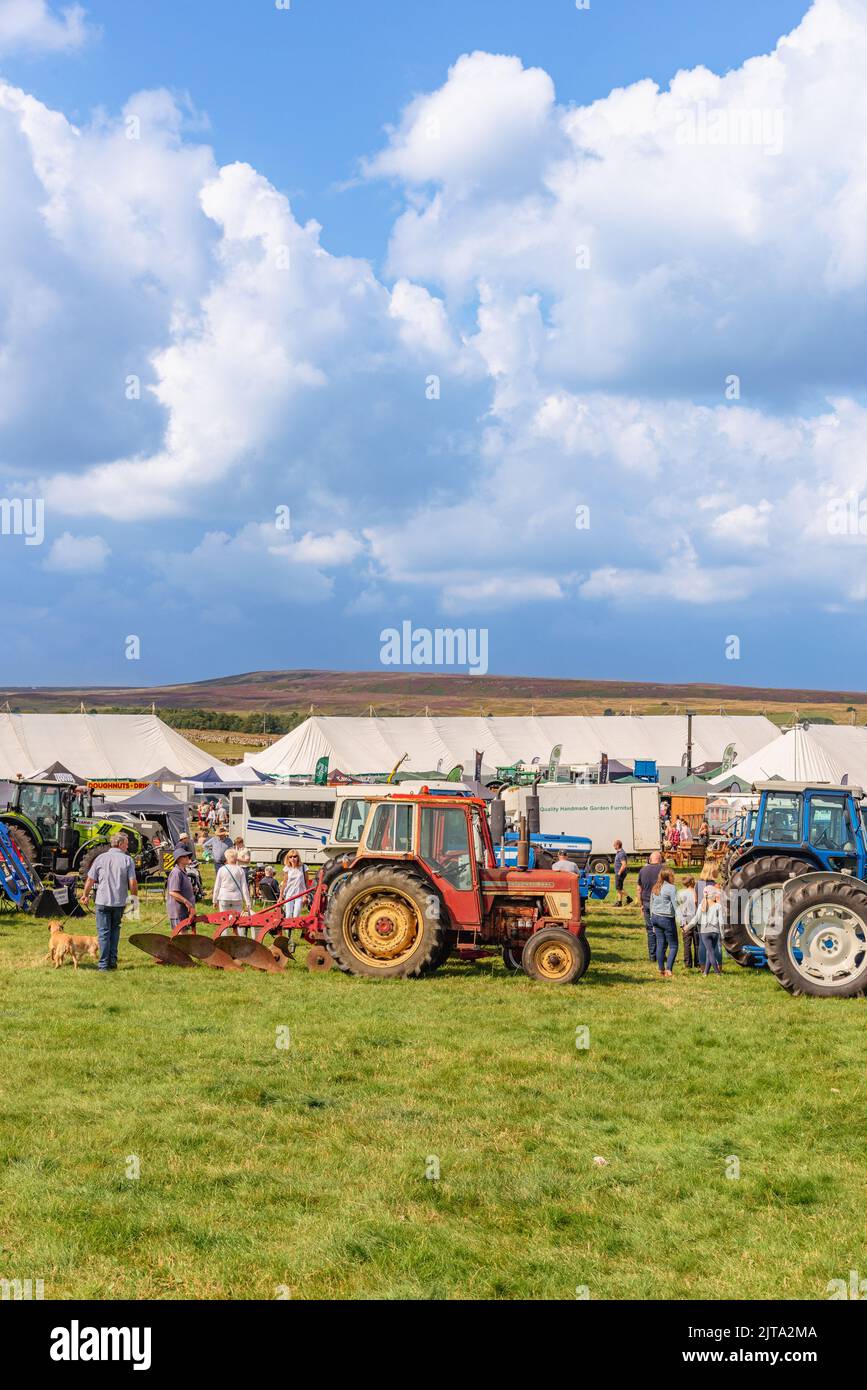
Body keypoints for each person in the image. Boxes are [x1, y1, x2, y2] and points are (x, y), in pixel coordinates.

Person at [79, 832, 138, 972]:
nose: (128, 846)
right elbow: (132, 882)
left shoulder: (100, 858)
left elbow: (90, 879)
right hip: (119, 902)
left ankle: (103, 965)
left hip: (102, 901)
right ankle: (112, 962)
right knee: (115, 930)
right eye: (127, 843)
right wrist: (134, 899)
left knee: (103, 933)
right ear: (120, 844)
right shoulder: (127, 860)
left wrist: (85, 895)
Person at [688, 885, 724, 976]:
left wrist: (687, 927)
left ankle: (716, 972)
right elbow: (721, 922)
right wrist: (722, 935)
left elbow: (695, 919)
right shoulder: (718, 906)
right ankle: (706, 973)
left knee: (710, 951)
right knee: (710, 951)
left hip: (705, 932)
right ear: (713, 895)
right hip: (715, 932)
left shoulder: (701, 906)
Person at [649, 867, 679, 977]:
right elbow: (676, 906)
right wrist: (682, 922)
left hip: (655, 917)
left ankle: (660, 968)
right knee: (674, 945)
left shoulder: (655, 887)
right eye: (672, 875)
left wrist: (652, 921)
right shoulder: (671, 888)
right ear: (669, 876)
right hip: (666, 919)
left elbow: (651, 905)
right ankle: (669, 969)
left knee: (660, 943)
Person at [637, 851, 664, 961]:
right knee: (661, 929)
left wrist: (641, 904)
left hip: (647, 902)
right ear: (660, 859)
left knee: (650, 930)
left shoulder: (642, 870)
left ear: (650, 859)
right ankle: (661, 955)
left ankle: (652, 955)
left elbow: (639, 889)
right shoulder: (663, 870)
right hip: (660, 903)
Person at [213, 848, 253, 916]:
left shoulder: (221, 869)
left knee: (224, 919)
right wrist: (248, 902)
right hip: (237, 897)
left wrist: (214, 900)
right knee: (238, 921)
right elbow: (244, 887)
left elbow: (217, 886)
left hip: (224, 897)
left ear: (226, 857)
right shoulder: (240, 870)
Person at [166, 846, 196, 933]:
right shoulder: (176, 872)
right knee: (180, 937)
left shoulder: (183, 871)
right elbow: (173, 892)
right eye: (185, 856)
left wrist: (191, 890)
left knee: (184, 937)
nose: (187, 858)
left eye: (188, 856)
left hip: (183, 910)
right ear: (179, 859)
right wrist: (186, 902)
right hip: (178, 912)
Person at [677, 875, 699, 968]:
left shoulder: (680, 893)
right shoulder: (697, 893)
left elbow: (679, 909)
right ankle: (698, 962)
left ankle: (687, 963)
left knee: (687, 944)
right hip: (696, 919)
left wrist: (681, 923)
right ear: (693, 882)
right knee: (697, 944)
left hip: (685, 920)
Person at [281, 850, 309, 919]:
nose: (293, 858)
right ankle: (288, 929)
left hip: (300, 894)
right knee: (288, 915)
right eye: (290, 857)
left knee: (296, 916)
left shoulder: (304, 867)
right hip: (289, 894)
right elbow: (284, 882)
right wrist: (281, 896)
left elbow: (307, 882)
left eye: (295, 856)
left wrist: (306, 895)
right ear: (288, 858)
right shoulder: (287, 868)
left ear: (298, 857)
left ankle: (293, 928)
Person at [612, 839, 632, 908]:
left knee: (618, 888)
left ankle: (629, 898)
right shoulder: (619, 853)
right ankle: (619, 902)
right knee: (619, 888)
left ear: (617, 845)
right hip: (619, 872)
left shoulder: (621, 853)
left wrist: (619, 873)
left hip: (620, 873)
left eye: (614, 845)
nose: (613, 846)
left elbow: (624, 864)